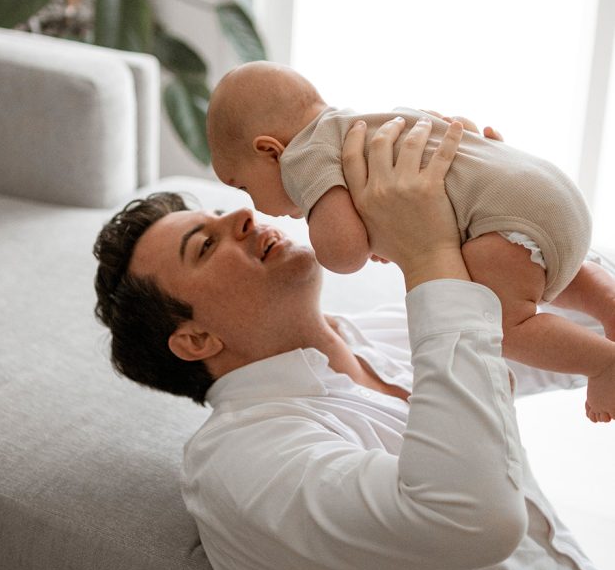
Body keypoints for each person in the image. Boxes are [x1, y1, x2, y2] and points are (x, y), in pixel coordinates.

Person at [93, 116, 615, 570]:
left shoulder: (387, 335)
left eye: (224, 213)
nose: (244, 214)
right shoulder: (239, 462)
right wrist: (430, 255)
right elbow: (473, 519)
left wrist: (500, 221)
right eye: (205, 245)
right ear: (196, 338)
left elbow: (586, 325)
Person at [206, 61, 615, 422]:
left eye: (243, 185)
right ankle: (608, 307)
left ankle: (602, 365)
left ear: (270, 151)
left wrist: (344, 235)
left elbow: (344, 253)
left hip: (511, 219)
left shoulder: (303, 159)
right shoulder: (365, 122)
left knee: (502, 321)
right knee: (541, 270)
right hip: (550, 191)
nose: (254, 206)